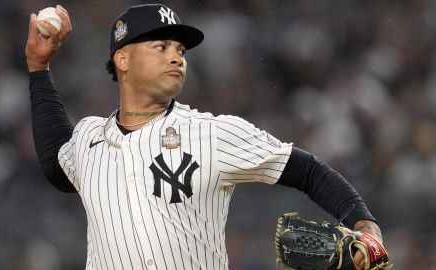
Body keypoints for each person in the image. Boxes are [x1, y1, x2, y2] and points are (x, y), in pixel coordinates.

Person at [25, 4, 386, 270]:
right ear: (123, 60)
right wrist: (39, 69)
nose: (176, 57)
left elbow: (308, 171)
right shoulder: (90, 136)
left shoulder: (213, 133)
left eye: (180, 50)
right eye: (161, 46)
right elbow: (58, 164)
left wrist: (366, 226)